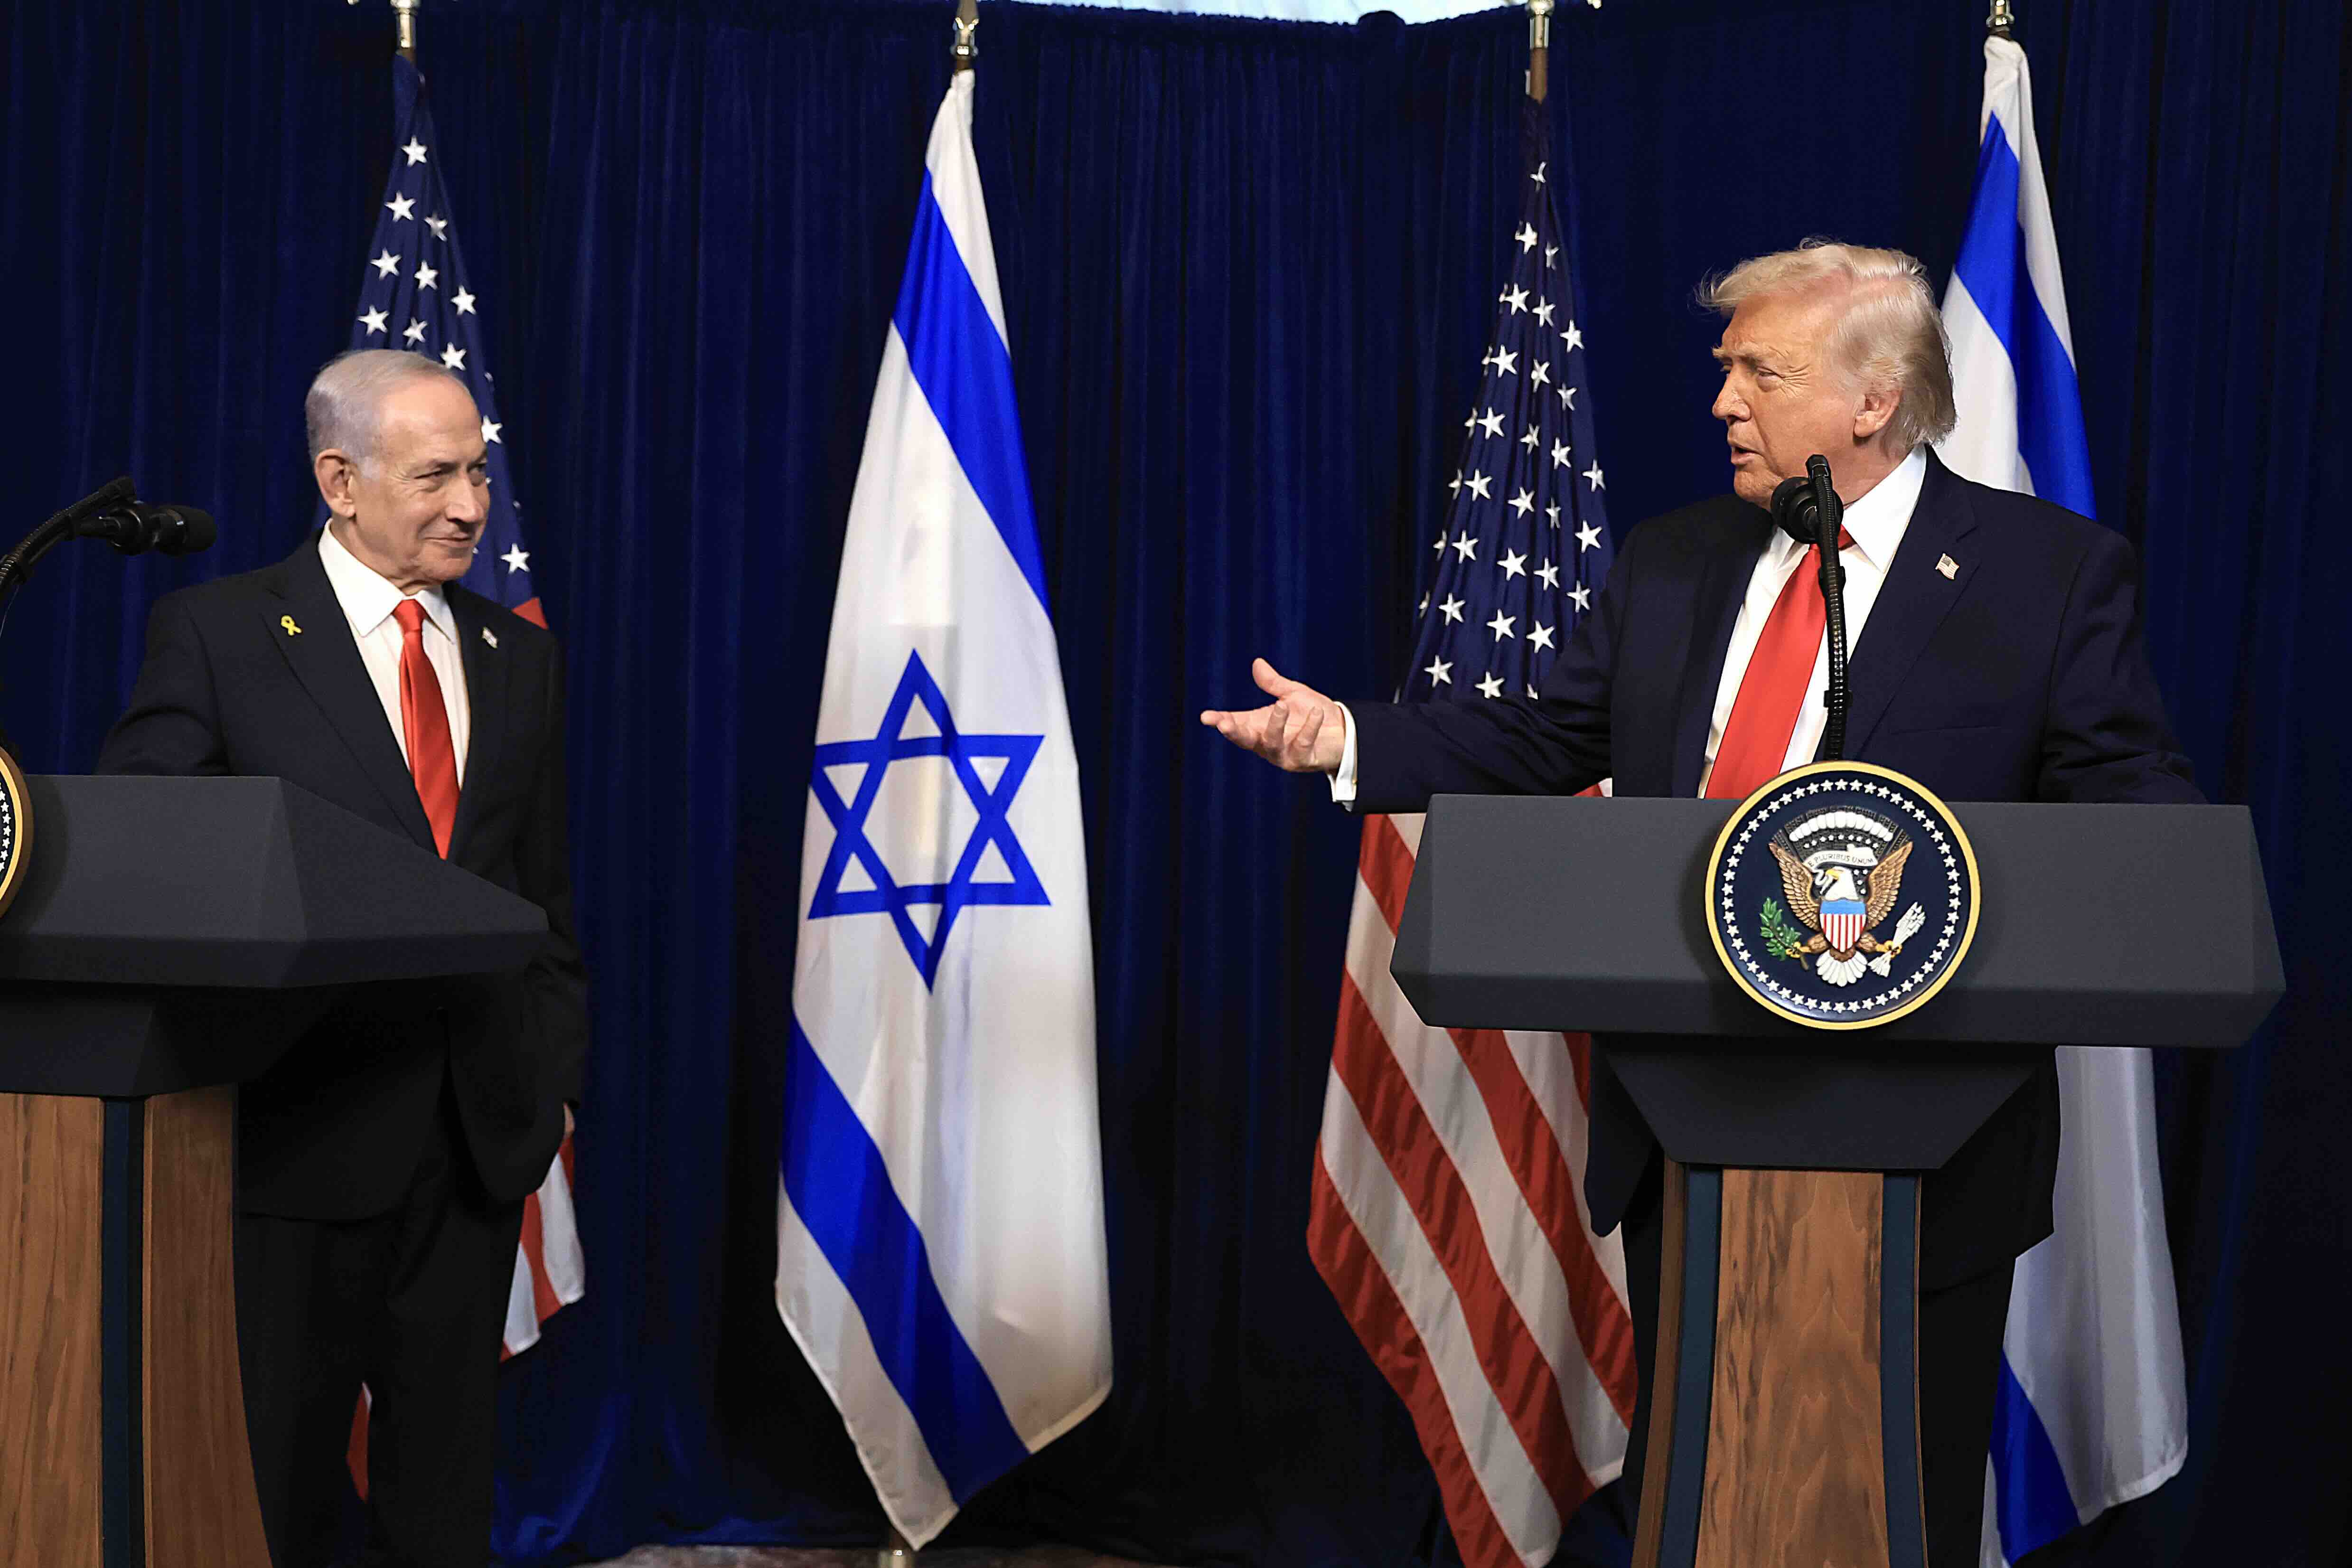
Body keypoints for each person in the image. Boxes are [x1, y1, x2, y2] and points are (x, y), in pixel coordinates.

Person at [1201, 241, 2199, 1563]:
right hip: (1686, 1115)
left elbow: (2123, 789)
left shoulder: (2044, 572)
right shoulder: (1674, 559)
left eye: (1759, 373)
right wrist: (1348, 744)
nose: (1722, 402)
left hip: (1929, 1130)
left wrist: (2154, 872)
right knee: (1701, 1487)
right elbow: (1546, 742)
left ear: (1874, 398)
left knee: (1898, 1499)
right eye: (1724, 370)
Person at [99, 348, 587, 1568]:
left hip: (475, 1141)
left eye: (479, 470)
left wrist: (548, 1082)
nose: (472, 504)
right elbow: (157, 863)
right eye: (437, 475)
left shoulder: (514, 655)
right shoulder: (218, 634)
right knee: (272, 1486)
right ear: (341, 479)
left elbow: (543, 901)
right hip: (290, 1138)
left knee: (442, 1505)